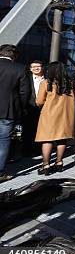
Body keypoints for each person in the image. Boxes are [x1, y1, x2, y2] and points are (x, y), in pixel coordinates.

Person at [35, 62, 75, 175]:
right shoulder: (70, 83)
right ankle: (59, 162)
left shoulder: (46, 83)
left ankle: (46, 164)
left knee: (47, 139)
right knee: (62, 138)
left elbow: (39, 101)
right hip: (65, 115)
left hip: (49, 115)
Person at [0, 45, 30, 182]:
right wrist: (21, 108)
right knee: (4, 141)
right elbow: (24, 93)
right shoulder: (20, 68)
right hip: (8, 110)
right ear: (14, 56)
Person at [22, 60, 45, 157]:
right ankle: (27, 150)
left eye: (38, 66)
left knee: (41, 130)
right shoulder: (26, 78)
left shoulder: (47, 79)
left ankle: (38, 149)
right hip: (30, 107)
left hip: (44, 108)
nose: (36, 68)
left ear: (42, 67)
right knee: (28, 130)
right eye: (34, 67)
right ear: (30, 69)